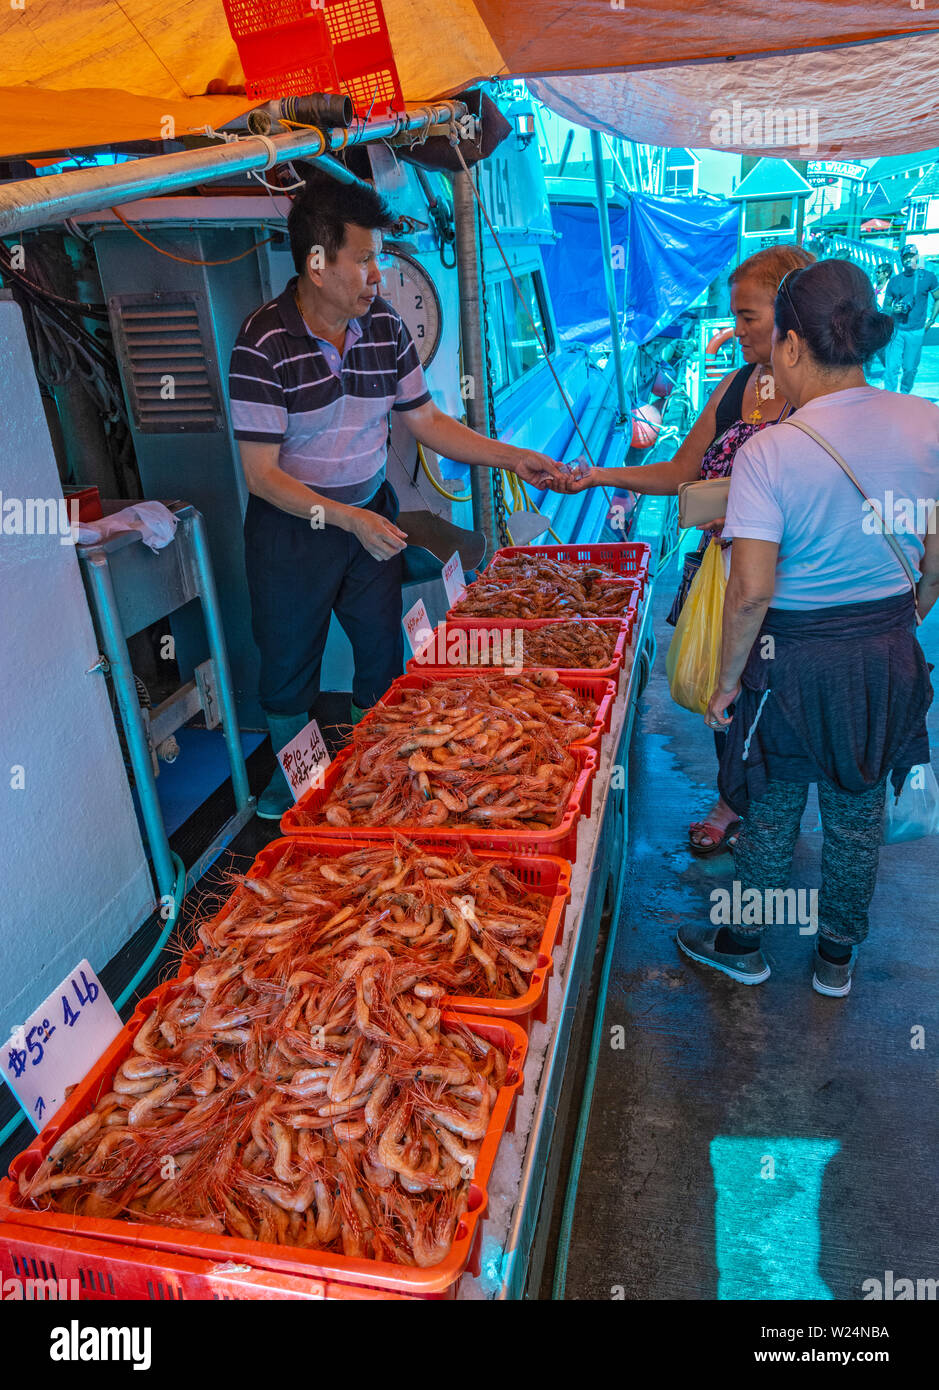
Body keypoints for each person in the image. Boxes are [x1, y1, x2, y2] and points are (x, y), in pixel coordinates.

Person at [229, 175, 569, 818]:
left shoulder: (383, 325)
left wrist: (513, 456)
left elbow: (426, 421)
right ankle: (292, 785)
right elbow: (261, 476)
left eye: (379, 258)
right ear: (317, 263)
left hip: (369, 511)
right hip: (291, 527)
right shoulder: (262, 344)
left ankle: (372, 768)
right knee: (287, 661)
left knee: (380, 646)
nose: (377, 275)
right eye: (365, 259)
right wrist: (348, 520)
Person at [676, 258, 939, 995]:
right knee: (858, 811)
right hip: (886, 652)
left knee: (769, 808)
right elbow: (935, 551)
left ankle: (743, 947)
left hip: (788, 659)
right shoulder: (926, 422)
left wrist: (726, 683)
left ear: (791, 345)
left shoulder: (771, 452)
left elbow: (751, 591)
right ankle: (834, 960)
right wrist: (906, 614)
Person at [568, 242, 814, 855]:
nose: (735, 331)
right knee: (721, 688)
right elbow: (682, 469)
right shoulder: (737, 385)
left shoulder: (819, 397)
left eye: (749, 317)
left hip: (790, 580)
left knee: (775, 702)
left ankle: (767, 828)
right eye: (734, 315)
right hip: (721, 571)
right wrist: (599, 476)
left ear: (793, 318)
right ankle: (734, 800)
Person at [883, 243, 939, 394]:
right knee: (891, 368)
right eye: (905, 257)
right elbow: (886, 306)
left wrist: (931, 320)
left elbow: (937, 298)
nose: (909, 259)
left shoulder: (928, 277)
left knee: (909, 368)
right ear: (901, 259)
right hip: (896, 330)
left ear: (917, 257)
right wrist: (893, 309)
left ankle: (905, 394)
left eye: (912, 256)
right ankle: (889, 397)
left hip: (916, 331)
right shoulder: (894, 281)